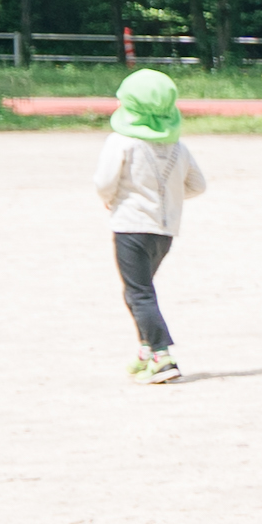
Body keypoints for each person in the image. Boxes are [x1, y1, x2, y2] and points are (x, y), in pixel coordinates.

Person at [93, 70, 207, 385]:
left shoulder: (121, 142)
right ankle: (145, 350)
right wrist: (168, 197)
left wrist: (111, 198)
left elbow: (104, 183)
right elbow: (197, 185)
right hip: (166, 231)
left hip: (130, 227)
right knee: (139, 290)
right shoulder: (178, 148)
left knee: (139, 293)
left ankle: (162, 355)